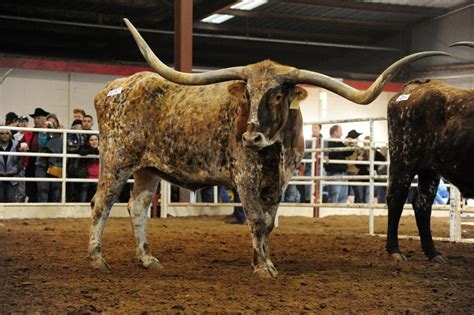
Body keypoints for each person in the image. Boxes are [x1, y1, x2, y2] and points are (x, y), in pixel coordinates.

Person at [18, 107, 50, 202]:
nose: (36, 120)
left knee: (43, 187)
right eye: (35, 118)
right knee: (30, 185)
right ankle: (32, 203)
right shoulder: (29, 132)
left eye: (39, 118)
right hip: (31, 160)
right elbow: (20, 144)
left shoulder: (51, 132)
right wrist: (21, 147)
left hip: (45, 161)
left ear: (45, 119)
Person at [35, 114, 63, 202]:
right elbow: (42, 144)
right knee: (42, 189)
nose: (51, 124)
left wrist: (61, 133)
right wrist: (44, 130)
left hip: (56, 164)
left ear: (57, 124)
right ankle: (42, 212)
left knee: (56, 190)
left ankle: (56, 212)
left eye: (53, 122)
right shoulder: (42, 133)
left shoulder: (62, 134)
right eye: (49, 122)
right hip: (42, 164)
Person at [323, 125, 353, 203]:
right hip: (334, 173)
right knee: (334, 197)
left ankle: (339, 214)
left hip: (342, 174)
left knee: (342, 197)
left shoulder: (339, 143)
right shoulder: (327, 142)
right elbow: (323, 154)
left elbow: (348, 152)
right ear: (335, 132)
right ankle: (331, 214)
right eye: (340, 131)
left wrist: (350, 144)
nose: (342, 133)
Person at [357, 136, 387, 203]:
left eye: (367, 143)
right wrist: (358, 160)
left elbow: (383, 160)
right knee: (361, 196)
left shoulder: (376, 153)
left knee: (368, 195)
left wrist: (374, 167)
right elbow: (357, 165)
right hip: (361, 177)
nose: (366, 145)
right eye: (365, 143)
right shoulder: (361, 152)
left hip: (371, 177)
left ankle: (368, 210)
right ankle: (362, 210)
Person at [66, 119, 88, 201]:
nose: (79, 128)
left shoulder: (85, 136)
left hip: (82, 165)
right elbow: (70, 147)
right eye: (77, 126)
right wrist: (81, 149)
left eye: (80, 126)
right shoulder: (70, 135)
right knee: (72, 188)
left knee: (80, 187)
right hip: (72, 164)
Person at [300, 124, 322, 203]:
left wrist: (322, 156)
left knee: (319, 186)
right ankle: (308, 202)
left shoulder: (323, 141)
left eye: (316, 128)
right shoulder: (308, 141)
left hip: (320, 167)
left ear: (320, 129)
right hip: (309, 167)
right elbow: (304, 154)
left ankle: (318, 201)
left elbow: (326, 154)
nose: (314, 129)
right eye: (313, 128)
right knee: (309, 187)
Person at [0, 129, 23, 202]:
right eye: (2, 133)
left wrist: (13, 171)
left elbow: (20, 161)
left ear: (10, 135)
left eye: (7, 133)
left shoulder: (16, 145)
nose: (4, 135)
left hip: (13, 178)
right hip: (0, 177)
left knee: (11, 200)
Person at [78, 134, 100, 202]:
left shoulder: (103, 149)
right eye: (92, 140)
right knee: (83, 197)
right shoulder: (85, 148)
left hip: (99, 179)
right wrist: (95, 150)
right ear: (88, 142)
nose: (94, 142)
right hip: (87, 178)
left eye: (96, 139)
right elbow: (81, 151)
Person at [345, 130, 364, 203]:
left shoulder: (356, 147)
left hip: (354, 171)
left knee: (355, 190)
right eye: (356, 138)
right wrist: (356, 159)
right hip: (349, 171)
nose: (358, 140)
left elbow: (362, 153)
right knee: (354, 190)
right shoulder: (347, 147)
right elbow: (348, 161)